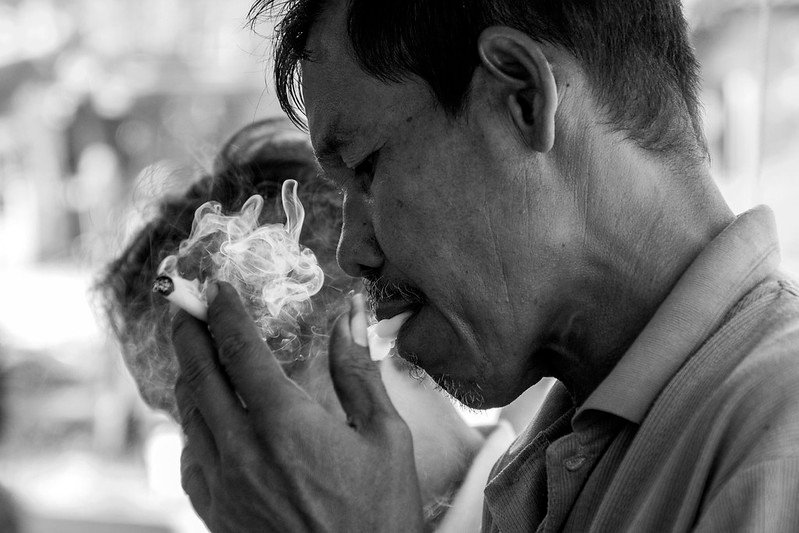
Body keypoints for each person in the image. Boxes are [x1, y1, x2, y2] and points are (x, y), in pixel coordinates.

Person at [171, 0, 799, 531]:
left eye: (365, 168)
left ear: (521, 98)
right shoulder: (557, 461)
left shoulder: (777, 438)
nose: (352, 251)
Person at [98, 118, 509, 530]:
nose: (233, 468)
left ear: (380, 336)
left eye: (241, 403)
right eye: (191, 421)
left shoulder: (560, 504)